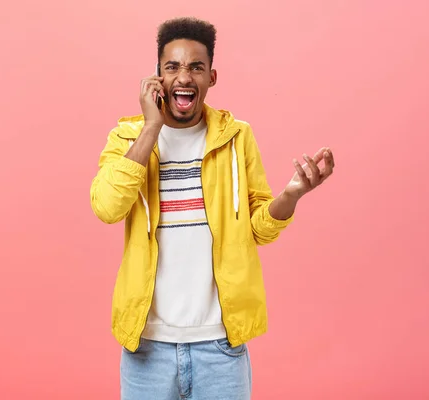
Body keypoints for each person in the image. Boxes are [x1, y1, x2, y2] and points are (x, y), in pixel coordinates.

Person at [90, 16, 335, 400]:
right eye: (172, 67)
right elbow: (107, 206)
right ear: (156, 78)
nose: (184, 77)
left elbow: (258, 228)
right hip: (146, 349)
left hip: (220, 348)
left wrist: (291, 195)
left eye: (195, 67)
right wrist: (151, 129)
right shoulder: (126, 137)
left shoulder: (237, 137)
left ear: (212, 77)